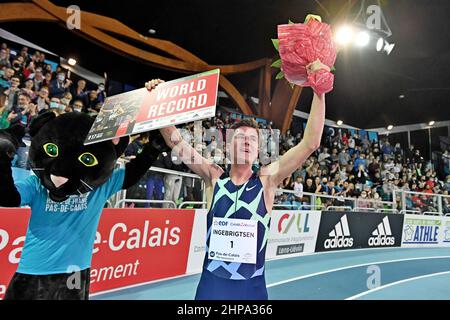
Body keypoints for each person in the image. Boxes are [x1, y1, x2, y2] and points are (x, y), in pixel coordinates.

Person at [149, 59, 329, 300]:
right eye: (240, 137)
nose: (246, 141)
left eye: (253, 139)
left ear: (259, 151)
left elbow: (311, 143)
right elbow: (176, 142)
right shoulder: (214, 176)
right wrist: (157, 101)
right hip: (210, 289)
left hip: (251, 291)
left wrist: (319, 89)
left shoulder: (267, 180)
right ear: (227, 146)